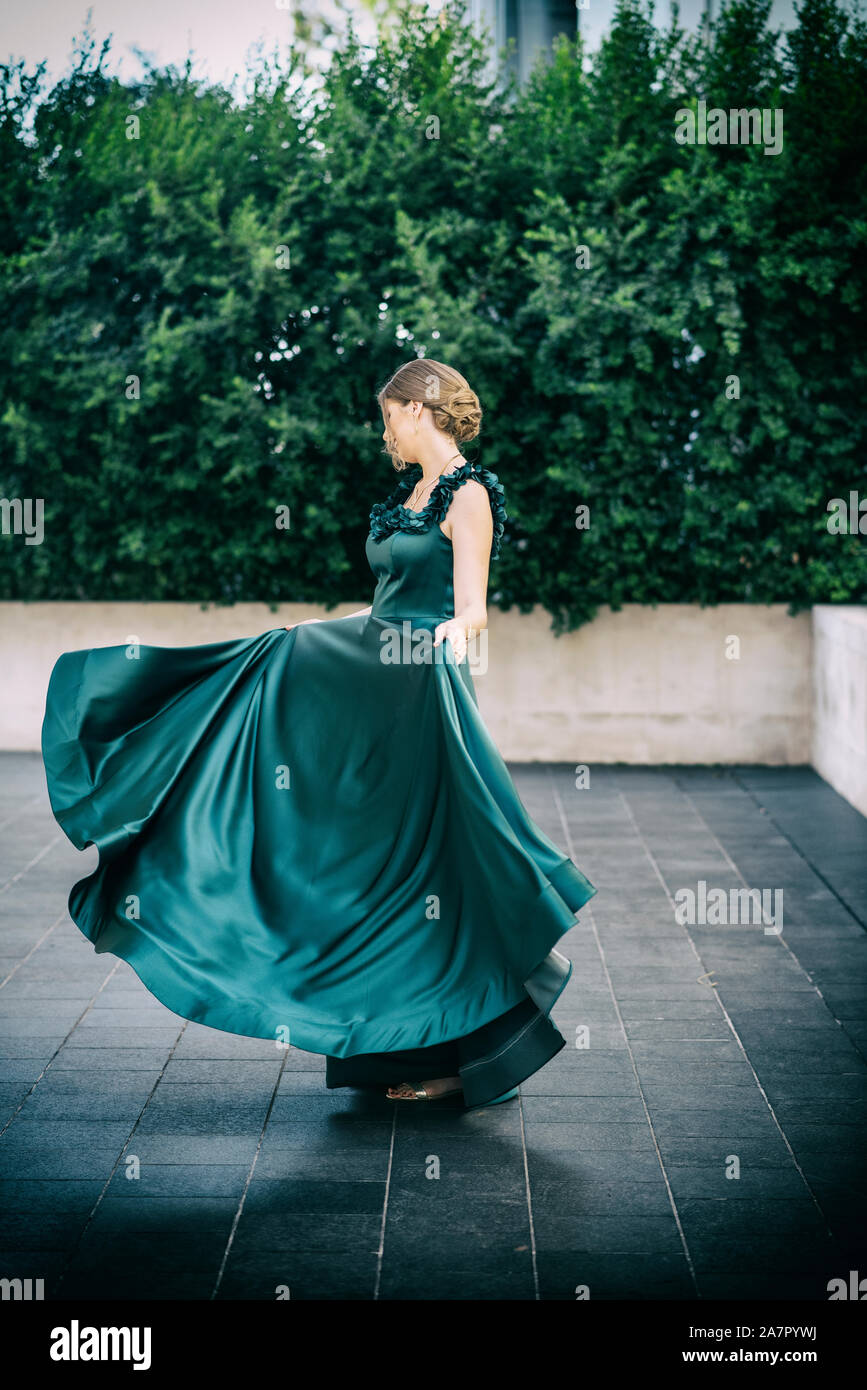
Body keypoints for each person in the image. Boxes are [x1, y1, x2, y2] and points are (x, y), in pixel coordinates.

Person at [41, 358, 597, 1109]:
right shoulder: (415, 493)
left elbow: (472, 609)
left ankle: (459, 1051)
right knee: (287, 696)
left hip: (418, 682)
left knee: (432, 865)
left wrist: (447, 644)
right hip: (372, 667)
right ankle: (144, 773)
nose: (385, 428)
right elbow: (389, 594)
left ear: (419, 407)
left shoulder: (468, 494)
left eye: (391, 414)